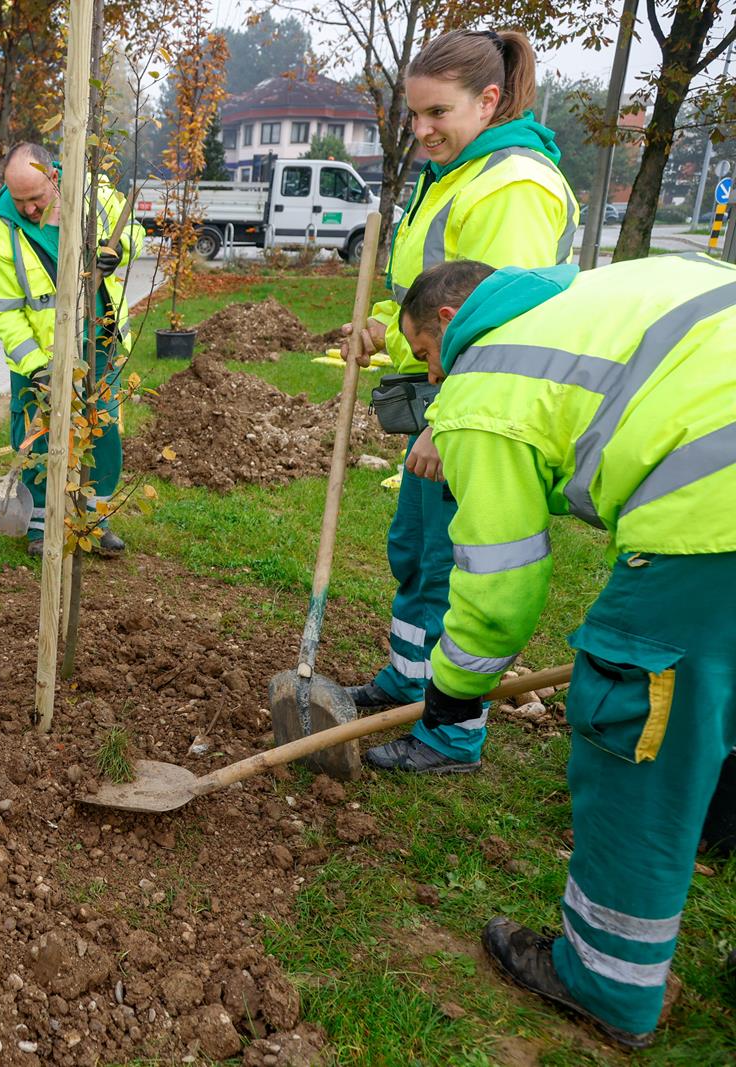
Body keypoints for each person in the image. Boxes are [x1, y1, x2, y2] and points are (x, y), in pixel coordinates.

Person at [393, 253, 736, 1049]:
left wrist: (453, 688)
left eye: (426, 356)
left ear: (450, 324)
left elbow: (500, 583)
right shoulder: (571, 302)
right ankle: (719, 815)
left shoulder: (483, 384)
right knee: (713, 694)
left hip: (713, 505)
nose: (431, 379)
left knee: (634, 718)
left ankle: (606, 979)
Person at [342, 28, 580, 775]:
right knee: (417, 553)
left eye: (437, 112)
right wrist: (385, 325)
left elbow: (500, 328)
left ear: (489, 100)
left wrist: (448, 426)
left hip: (480, 407)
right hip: (443, 392)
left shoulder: (513, 187)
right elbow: (433, 294)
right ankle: (409, 681)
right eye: (414, 115)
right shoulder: (454, 174)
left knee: (460, 564)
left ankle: (450, 731)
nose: (421, 131)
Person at [0, 141, 143, 558]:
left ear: (53, 176)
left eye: (35, 198)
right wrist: (37, 366)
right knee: (37, 438)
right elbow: (6, 317)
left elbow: (135, 232)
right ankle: (39, 525)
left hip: (98, 343)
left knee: (100, 431)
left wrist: (120, 249)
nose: (29, 208)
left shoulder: (94, 196)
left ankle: (94, 520)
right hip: (40, 358)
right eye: (19, 200)